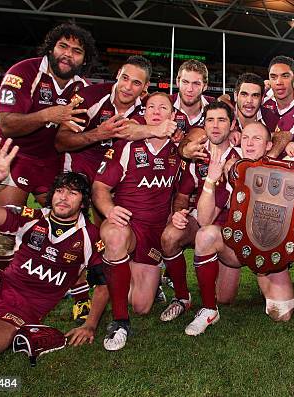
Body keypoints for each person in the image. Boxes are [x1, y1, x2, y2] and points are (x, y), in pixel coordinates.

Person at [0, 138, 105, 370]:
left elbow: (104, 285)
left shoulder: (91, 236)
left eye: (73, 193)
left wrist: (90, 324)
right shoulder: (32, 218)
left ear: (84, 201)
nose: (63, 197)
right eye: (60, 190)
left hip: (16, 318)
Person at [0, 23, 97, 323]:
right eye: (63, 46)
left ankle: (81, 299)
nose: (68, 55)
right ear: (51, 46)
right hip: (17, 157)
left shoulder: (84, 90)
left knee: (72, 232)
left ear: (84, 59)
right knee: (6, 233)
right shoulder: (23, 72)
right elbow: (9, 123)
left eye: (77, 51)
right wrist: (51, 114)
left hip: (55, 162)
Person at [185, 122, 294, 336]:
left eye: (256, 139)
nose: (249, 143)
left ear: (267, 146)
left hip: (267, 251)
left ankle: (271, 277)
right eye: (245, 138)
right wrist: (210, 180)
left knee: (281, 314)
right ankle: (209, 309)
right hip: (236, 245)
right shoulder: (232, 170)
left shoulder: (281, 172)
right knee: (206, 235)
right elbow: (205, 218)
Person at [92, 92, 182, 351]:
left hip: (154, 233)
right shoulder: (126, 146)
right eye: (150, 106)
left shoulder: (178, 150)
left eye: (163, 107)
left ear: (172, 116)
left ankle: (127, 271)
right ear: (144, 114)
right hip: (129, 226)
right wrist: (109, 210)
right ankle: (120, 322)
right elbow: (99, 188)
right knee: (115, 236)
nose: (155, 111)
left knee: (142, 306)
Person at [159, 101, 242, 323]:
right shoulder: (198, 156)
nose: (215, 126)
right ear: (203, 125)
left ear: (233, 124)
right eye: (210, 120)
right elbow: (183, 196)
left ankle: (213, 295)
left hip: (231, 230)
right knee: (170, 235)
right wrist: (178, 212)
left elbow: (208, 218)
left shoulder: (240, 156)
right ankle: (182, 298)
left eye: (222, 120)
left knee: (225, 297)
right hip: (203, 223)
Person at [56, 55, 175, 186]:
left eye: (136, 83)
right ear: (118, 74)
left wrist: (175, 133)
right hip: (79, 175)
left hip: (115, 179)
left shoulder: (148, 106)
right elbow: (60, 142)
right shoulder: (90, 96)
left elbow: (136, 128)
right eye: (125, 78)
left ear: (146, 86)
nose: (128, 87)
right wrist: (96, 134)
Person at [172, 59, 216, 138]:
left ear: (205, 86)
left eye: (196, 84)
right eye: (185, 82)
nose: (189, 89)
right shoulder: (165, 103)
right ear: (177, 82)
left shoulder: (215, 106)